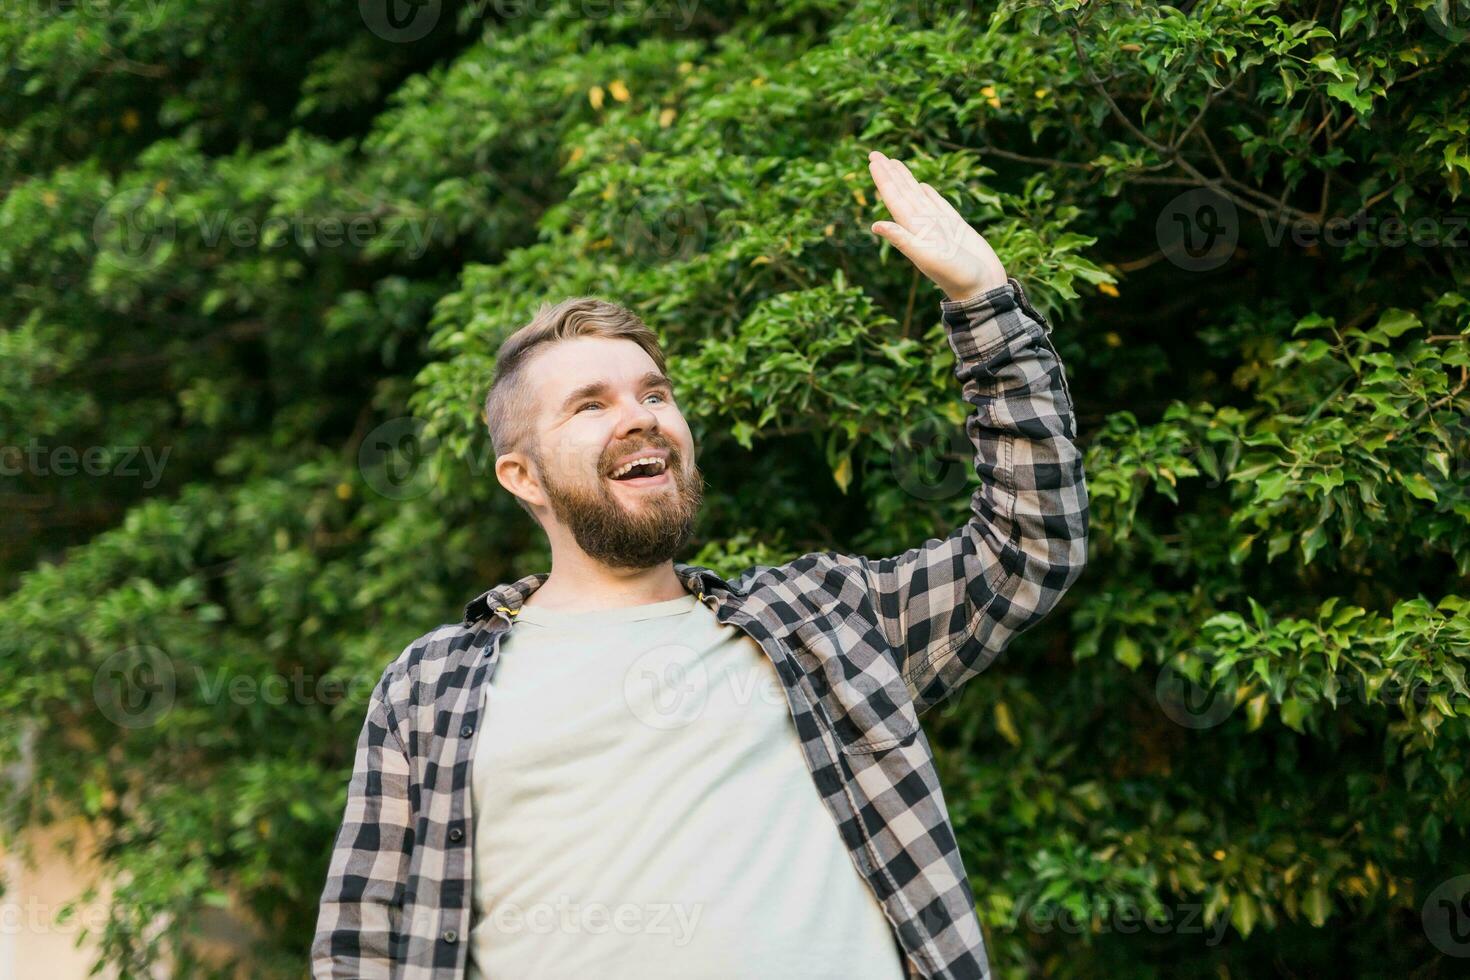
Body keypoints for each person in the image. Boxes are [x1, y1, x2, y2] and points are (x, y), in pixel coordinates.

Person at [311, 150, 1089, 979]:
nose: (641, 418)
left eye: (654, 393)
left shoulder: (823, 620)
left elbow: (1029, 544)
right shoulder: (428, 686)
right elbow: (364, 946)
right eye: (591, 405)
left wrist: (984, 306)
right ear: (522, 475)